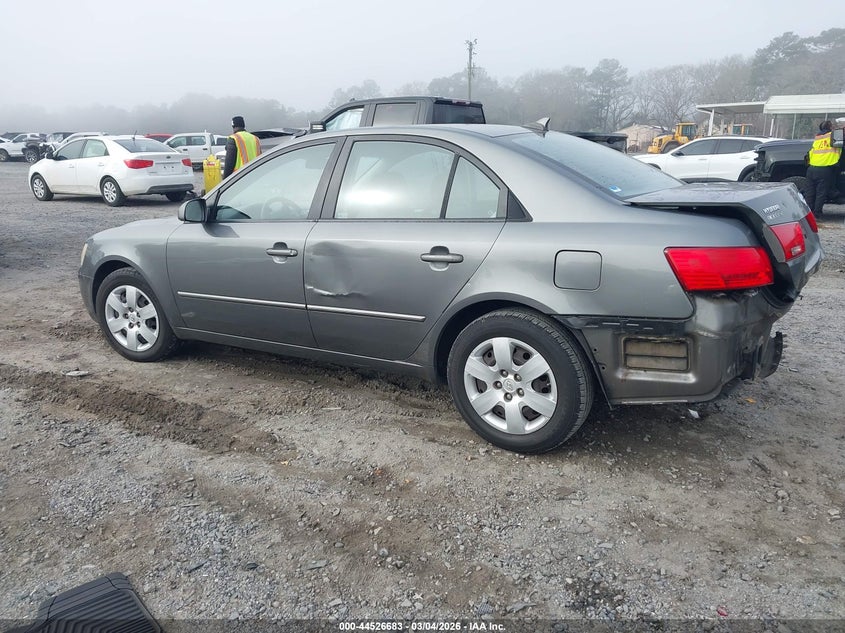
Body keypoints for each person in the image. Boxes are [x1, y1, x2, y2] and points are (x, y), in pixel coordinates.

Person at [804, 120, 842, 218]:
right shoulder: (834, 136)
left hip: (811, 169)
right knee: (821, 193)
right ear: (830, 127)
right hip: (825, 169)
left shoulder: (818, 138)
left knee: (810, 192)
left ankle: (808, 214)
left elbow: (811, 152)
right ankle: (817, 214)